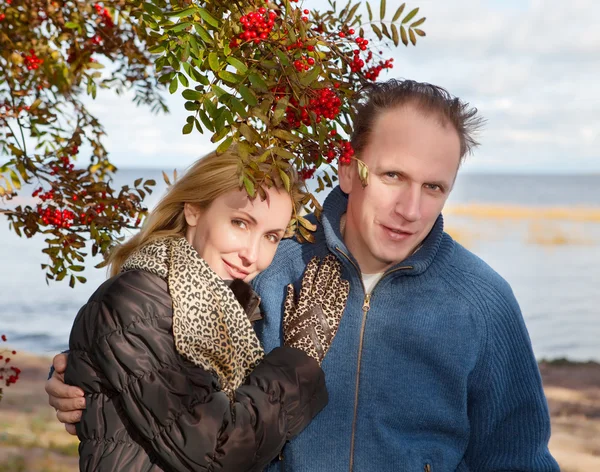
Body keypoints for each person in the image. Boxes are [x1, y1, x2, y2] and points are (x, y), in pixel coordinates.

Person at [47, 79, 559, 471]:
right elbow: (164, 349)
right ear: (347, 168)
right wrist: (81, 376)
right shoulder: (268, 264)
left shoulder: (482, 301)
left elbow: (518, 458)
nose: (409, 208)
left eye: (433, 187)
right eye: (393, 176)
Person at [54, 146, 350, 471]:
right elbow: (217, 451)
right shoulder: (136, 300)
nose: (252, 254)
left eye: (270, 236)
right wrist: (300, 358)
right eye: (240, 223)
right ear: (193, 210)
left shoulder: (226, 302)